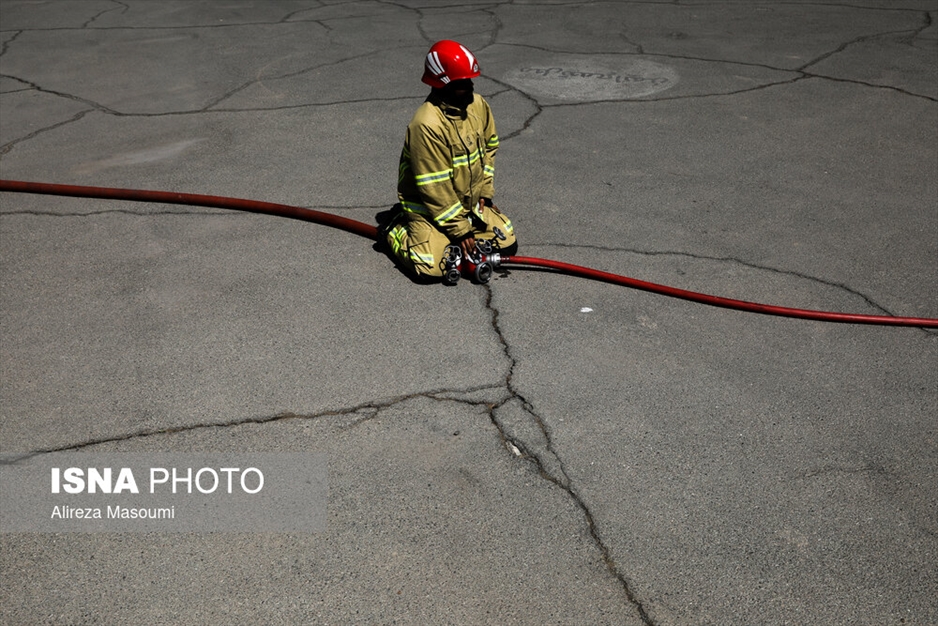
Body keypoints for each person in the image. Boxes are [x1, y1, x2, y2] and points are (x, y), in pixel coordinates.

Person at [379, 40, 517, 281]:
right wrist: (462, 231)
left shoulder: (477, 105)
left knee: (507, 242)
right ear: (442, 85)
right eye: (462, 84)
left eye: (470, 80)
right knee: (430, 268)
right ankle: (397, 227)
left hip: (466, 207)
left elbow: (490, 147)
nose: (471, 87)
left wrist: (485, 192)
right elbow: (435, 187)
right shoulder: (427, 125)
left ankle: (451, 236)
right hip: (429, 211)